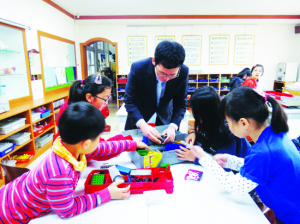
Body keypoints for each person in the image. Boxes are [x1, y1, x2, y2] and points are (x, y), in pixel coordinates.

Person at [0, 102, 149, 223]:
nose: (100, 141)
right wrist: (107, 194)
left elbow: (103, 148)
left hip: (11, 195)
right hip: (11, 215)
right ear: (86, 144)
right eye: (98, 137)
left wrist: (131, 144)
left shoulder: (68, 145)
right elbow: (66, 211)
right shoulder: (60, 173)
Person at [190, 87, 300, 224]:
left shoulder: (264, 151)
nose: (228, 126)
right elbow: (261, 168)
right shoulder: (273, 134)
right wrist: (230, 161)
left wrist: (204, 159)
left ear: (243, 123)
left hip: (292, 216)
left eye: (228, 122)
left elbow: (235, 187)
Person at [56, 73, 136, 160]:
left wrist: (126, 140)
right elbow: (98, 150)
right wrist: (129, 143)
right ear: (89, 97)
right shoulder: (81, 118)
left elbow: (98, 144)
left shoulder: (77, 106)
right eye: (105, 99)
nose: (106, 103)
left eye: (108, 98)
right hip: (71, 161)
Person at [124, 41, 189, 144]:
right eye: (162, 73)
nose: (166, 79)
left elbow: (180, 103)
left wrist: (173, 126)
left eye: (172, 75)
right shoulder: (138, 68)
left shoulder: (183, 72)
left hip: (165, 120)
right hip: (140, 117)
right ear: (154, 61)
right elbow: (129, 101)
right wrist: (143, 125)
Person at [175, 86, 250, 163]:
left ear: (205, 113)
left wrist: (196, 158)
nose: (193, 113)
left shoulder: (228, 132)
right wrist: (194, 134)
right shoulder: (209, 124)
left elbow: (223, 165)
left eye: (195, 110)